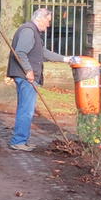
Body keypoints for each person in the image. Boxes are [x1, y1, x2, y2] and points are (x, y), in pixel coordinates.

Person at [7, 8, 81, 151]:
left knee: (27, 109)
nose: (48, 25)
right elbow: (20, 52)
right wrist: (28, 70)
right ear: (40, 18)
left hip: (27, 76)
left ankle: (22, 140)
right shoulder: (28, 31)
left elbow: (43, 53)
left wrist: (65, 59)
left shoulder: (33, 31)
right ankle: (19, 141)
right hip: (26, 77)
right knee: (26, 109)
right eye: (48, 21)